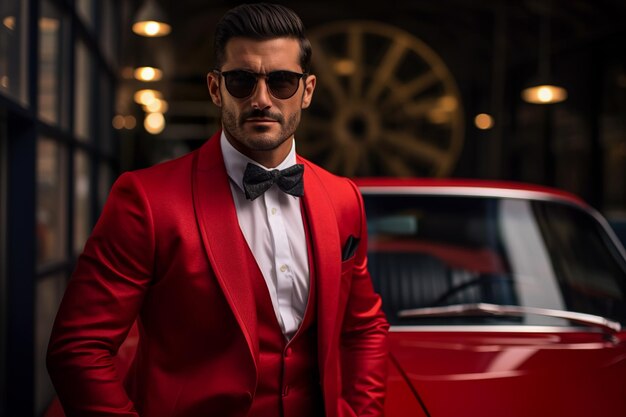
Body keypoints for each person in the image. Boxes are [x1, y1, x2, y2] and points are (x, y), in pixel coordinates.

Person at [47, 3, 389, 417]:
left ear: (309, 89)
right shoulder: (145, 200)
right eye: (242, 81)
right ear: (215, 88)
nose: (261, 99)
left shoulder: (342, 199)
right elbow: (79, 348)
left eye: (282, 82)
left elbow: (363, 328)